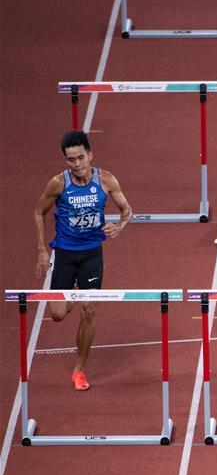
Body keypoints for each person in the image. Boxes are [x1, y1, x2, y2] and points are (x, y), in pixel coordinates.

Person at [34, 130, 133, 391]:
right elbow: (38, 212)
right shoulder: (58, 184)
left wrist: (119, 226)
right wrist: (42, 250)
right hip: (65, 254)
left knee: (88, 309)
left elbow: (127, 209)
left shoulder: (106, 180)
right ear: (65, 161)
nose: (77, 164)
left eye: (80, 157)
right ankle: (75, 289)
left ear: (90, 155)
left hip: (91, 254)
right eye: (71, 160)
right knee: (57, 314)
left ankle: (79, 370)